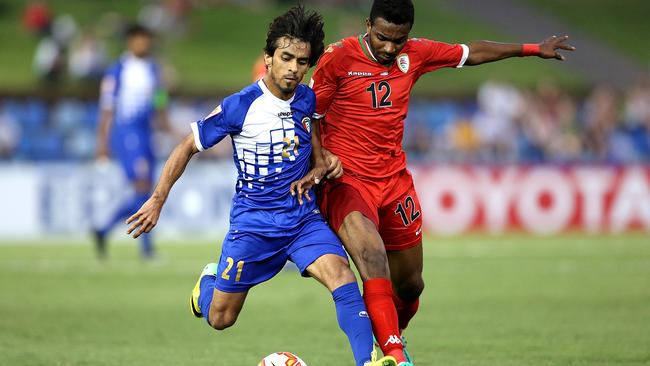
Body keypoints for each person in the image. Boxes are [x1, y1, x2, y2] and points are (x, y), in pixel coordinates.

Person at [293, 1, 575, 365]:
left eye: (399, 39)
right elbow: (309, 111)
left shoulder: (417, 52)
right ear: (368, 25)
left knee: (411, 285)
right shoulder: (340, 58)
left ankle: (392, 333)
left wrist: (533, 49)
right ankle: (394, 355)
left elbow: (472, 52)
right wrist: (321, 158)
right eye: (382, 38)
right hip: (348, 181)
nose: (390, 48)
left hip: (394, 182)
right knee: (371, 256)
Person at [125, 6, 397, 366]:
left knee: (343, 277)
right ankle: (207, 284)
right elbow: (187, 145)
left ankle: (369, 362)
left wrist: (323, 165)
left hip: (302, 220)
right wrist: (157, 200)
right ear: (268, 59)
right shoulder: (240, 106)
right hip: (253, 224)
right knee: (221, 318)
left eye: (302, 61)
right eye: (285, 58)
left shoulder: (306, 100)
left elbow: (315, 148)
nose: (293, 68)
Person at [93, 24, 171, 260]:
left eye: (146, 39)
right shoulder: (118, 70)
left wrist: (166, 125)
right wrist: (102, 143)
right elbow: (107, 109)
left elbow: (159, 101)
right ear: (130, 41)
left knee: (146, 189)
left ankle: (103, 229)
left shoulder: (154, 70)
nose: (144, 44)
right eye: (139, 39)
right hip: (127, 132)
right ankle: (146, 249)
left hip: (146, 133)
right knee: (141, 185)